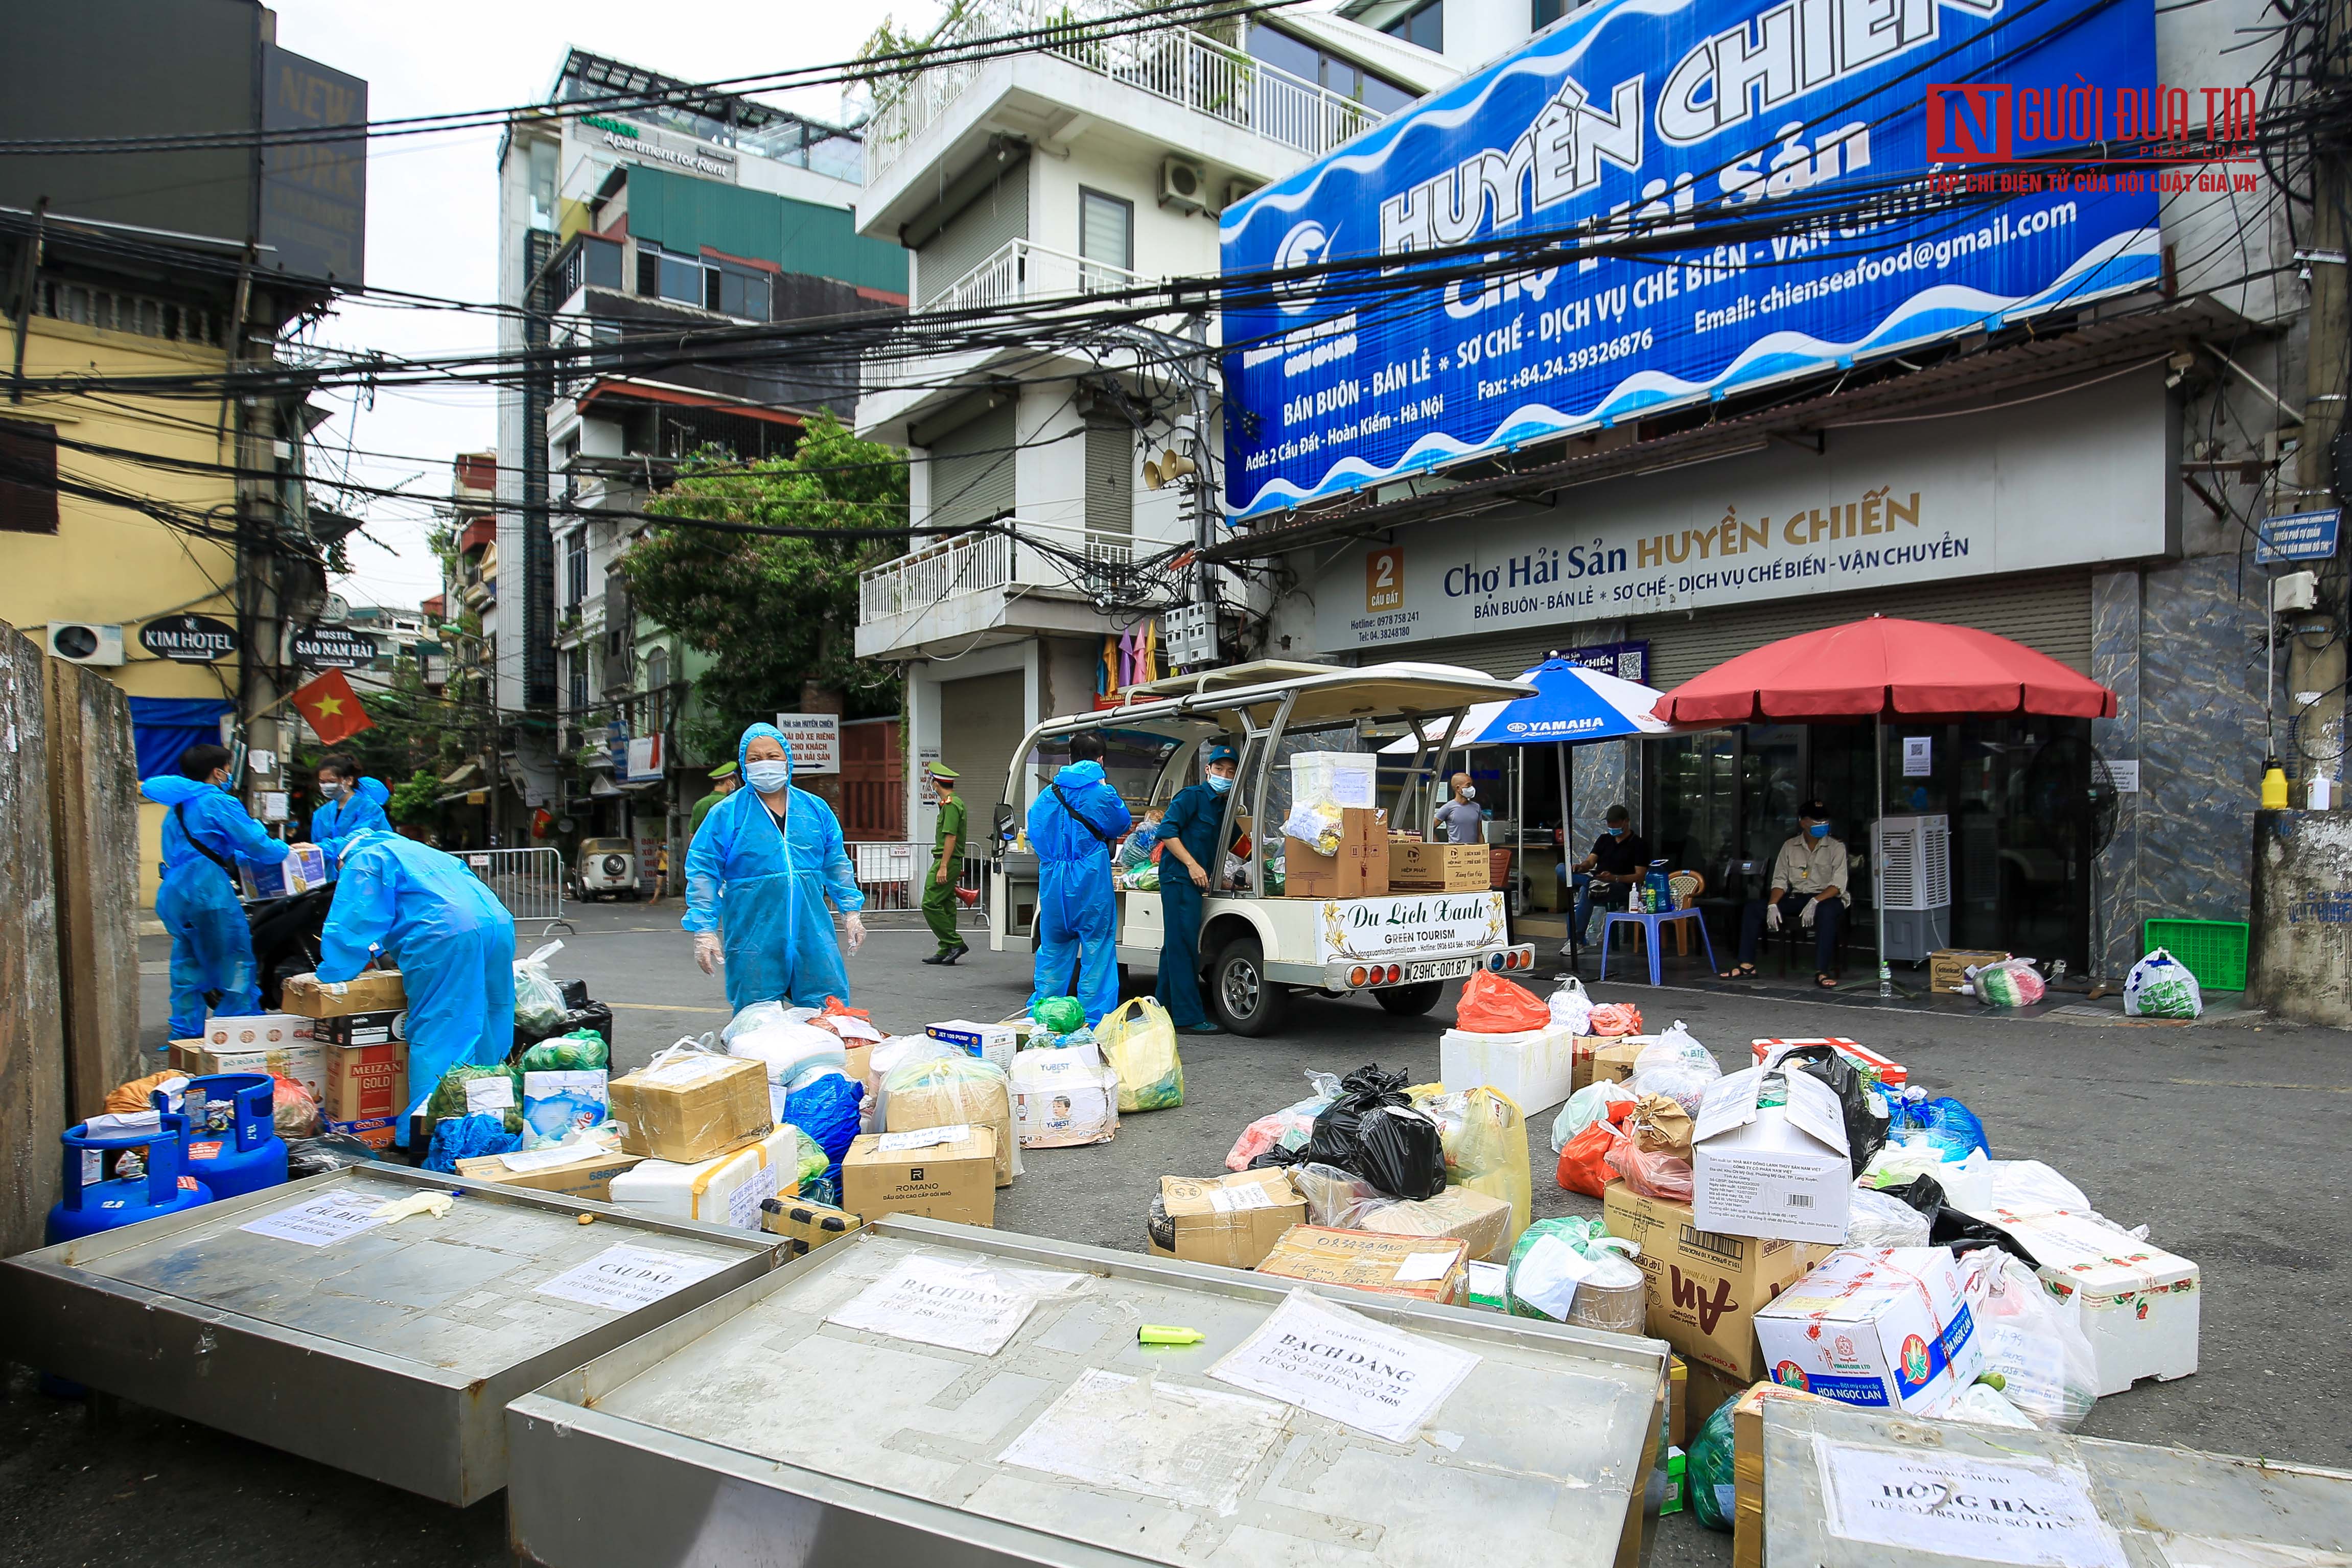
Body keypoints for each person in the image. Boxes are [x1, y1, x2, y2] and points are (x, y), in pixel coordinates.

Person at [318, 828, 517, 1144]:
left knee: (442, 1028)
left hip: (446, 933)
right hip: (497, 924)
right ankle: (491, 1118)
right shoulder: (415, 849)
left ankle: (432, 1133)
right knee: (490, 1020)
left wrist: (333, 972)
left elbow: (353, 919)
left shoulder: (365, 859)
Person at [684, 722, 866, 1012]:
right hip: (754, 933)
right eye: (755, 759)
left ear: (788, 760)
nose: (765, 764)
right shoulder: (726, 814)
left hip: (812, 932)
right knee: (756, 1020)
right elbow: (703, 870)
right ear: (744, 766)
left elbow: (835, 862)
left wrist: (851, 911)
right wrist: (704, 929)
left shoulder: (814, 809)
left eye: (773, 756)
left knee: (828, 1013)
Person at [142, 743, 295, 1042]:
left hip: (175, 891)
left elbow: (198, 848)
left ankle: (186, 1037)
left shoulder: (179, 806)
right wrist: (285, 851)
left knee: (188, 964)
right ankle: (238, 1033)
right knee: (233, 962)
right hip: (207, 892)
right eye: (227, 768)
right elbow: (255, 844)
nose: (229, 774)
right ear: (217, 772)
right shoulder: (217, 801)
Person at [1025, 733, 1132, 1025]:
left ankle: (1046, 1017)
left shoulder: (1047, 796)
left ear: (1070, 758)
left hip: (1053, 882)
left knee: (1054, 949)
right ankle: (1095, 1022)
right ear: (1100, 760)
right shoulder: (1102, 793)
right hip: (1090, 880)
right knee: (1097, 949)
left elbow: (1035, 832)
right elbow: (1121, 823)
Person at [1154, 742, 1239, 1035]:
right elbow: (1167, 831)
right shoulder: (1192, 797)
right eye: (1219, 769)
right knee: (1185, 947)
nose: (1224, 775)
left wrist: (1274, 863)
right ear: (1208, 769)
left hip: (1195, 882)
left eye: (1230, 771)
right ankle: (1187, 1017)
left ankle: (1162, 1008)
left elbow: (1240, 844)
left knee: (1175, 946)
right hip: (1179, 879)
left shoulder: (1225, 806)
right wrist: (1192, 864)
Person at [1722, 799, 1850, 988]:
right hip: (1798, 896)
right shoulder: (1790, 846)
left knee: (1827, 912)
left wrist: (1816, 901)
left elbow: (1838, 885)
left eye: (1825, 820)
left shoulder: (1836, 847)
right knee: (1754, 909)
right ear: (1803, 822)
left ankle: (1822, 971)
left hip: (1827, 897)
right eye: (1816, 820)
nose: (1822, 824)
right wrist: (1773, 904)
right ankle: (1747, 965)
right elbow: (1780, 881)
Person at [1569, 804, 1650, 950]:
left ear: (1626, 822)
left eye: (1615, 823)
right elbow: (1591, 861)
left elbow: (1640, 876)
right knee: (1563, 870)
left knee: (1586, 890)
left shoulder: (1638, 845)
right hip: (1599, 879)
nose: (1612, 826)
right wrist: (1581, 867)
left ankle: (1576, 941)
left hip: (1620, 887)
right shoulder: (1604, 839)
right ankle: (1592, 883)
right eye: (1609, 823)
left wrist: (1615, 878)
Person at [307, 752, 391, 878]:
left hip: (363, 878)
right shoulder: (321, 813)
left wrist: (320, 849)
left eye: (331, 781)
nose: (326, 786)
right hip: (329, 884)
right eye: (322, 782)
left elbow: (358, 840)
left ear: (349, 780)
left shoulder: (370, 809)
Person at [920, 762, 970, 966]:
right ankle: (946, 948)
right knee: (946, 905)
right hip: (950, 861)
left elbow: (950, 837)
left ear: (936, 783)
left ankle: (954, 942)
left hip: (946, 861)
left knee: (930, 903)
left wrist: (943, 866)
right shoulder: (954, 803)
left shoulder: (950, 805)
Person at [688, 761, 738, 840]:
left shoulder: (700, 804)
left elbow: (692, 835)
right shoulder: (733, 803)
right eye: (734, 782)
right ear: (729, 782)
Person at [1432, 773, 1485, 845]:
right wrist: (1438, 845)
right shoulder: (1448, 808)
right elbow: (1430, 828)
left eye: (1471, 785)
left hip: (1473, 852)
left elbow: (1480, 834)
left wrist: (1483, 850)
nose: (1471, 788)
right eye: (1468, 785)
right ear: (1458, 788)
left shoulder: (1476, 807)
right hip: (1456, 852)